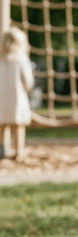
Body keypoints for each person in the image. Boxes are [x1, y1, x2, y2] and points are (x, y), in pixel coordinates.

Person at [0, 27, 35, 160]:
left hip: (1, 99)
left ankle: (2, 150)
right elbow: (27, 80)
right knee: (18, 126)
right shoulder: (21, 59)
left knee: (2, 125)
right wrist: (28, 88)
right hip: (17, 98)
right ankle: (19, 151)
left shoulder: (1, 59)